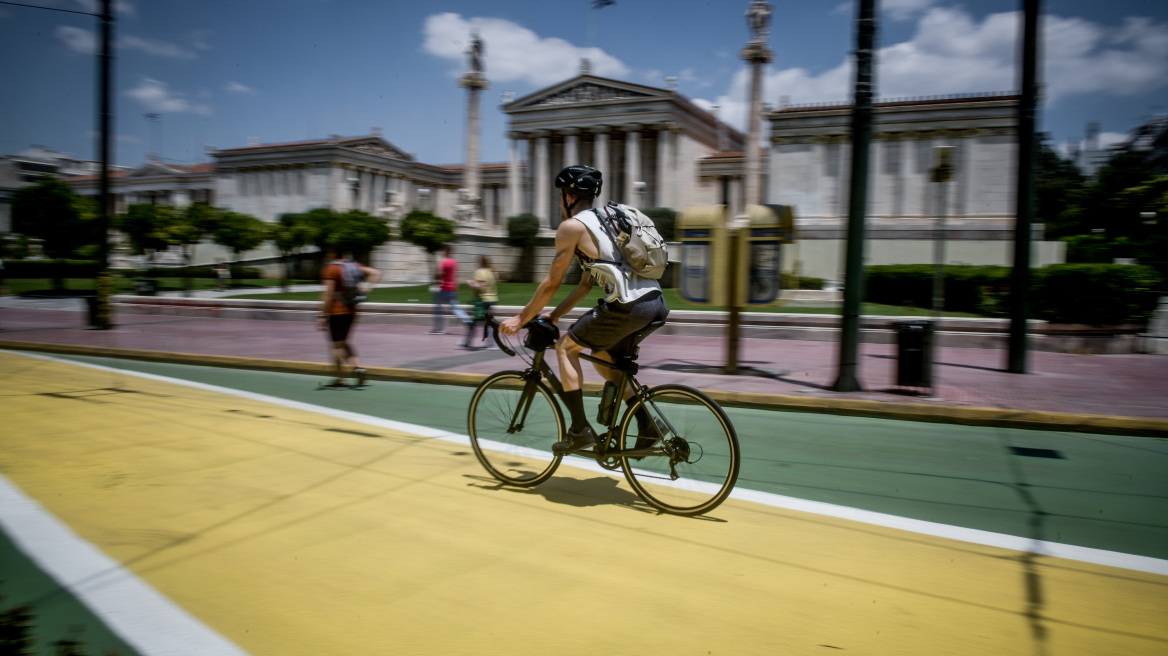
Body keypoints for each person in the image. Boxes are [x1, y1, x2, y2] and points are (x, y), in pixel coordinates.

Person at [500, 165, 669, 454]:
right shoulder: (608, 222)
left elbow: (552, 283)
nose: (559, 202)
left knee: (566, 348)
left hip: (628, 306)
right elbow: (584, 286)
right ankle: (648, 424)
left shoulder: (572, 227)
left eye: (560, 196)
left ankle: (579, 431)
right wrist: (554, 315)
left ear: (569, 196)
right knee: (603, 357)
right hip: (655, 303)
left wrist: (520, 318)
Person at [318, 246, 380, 387]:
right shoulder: (353, 265)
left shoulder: (331, 268)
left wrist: (322, 314)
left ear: (332, 253)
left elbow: (328, 294)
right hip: (351, 310)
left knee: (336, 346)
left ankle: (340, 379)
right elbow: (375, 272)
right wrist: (367, 289)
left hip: (336, 311)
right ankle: (358, 367)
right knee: (344, 342)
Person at [431, 244, 470, 334]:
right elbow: (455, 275)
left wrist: (435, 275)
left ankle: (438, 328)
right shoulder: (455, 262)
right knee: (455, 308)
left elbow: (440, 275)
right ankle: (469, 321)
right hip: (453, 288)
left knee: (438, 308)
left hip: (444, 288)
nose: (442, 252)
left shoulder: (443, 262)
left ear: (446, 251)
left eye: (443, 250)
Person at [461, 254, 498, 349]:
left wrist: (470, 283)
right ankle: (490, 343)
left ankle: (467, 342)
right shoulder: (491, 272)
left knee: (474, 322)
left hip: (482, 300)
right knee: (488, 323)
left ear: (480, 262)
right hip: (492, 299)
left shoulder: (480, 272)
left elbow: (480, 286)